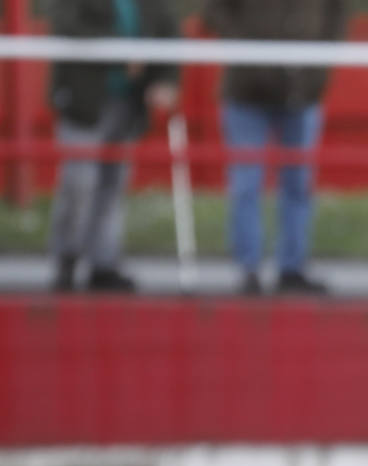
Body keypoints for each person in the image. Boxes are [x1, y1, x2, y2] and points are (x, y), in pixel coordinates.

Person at [202, 0, 348, 296]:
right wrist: (248, 49)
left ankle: (291, 268)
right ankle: (249, 269)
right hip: (247, 90)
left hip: (302, 91)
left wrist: (319, 64)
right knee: (246, 182)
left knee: (298, 183)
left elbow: (338, 14)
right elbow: (214, 11)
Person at [47, 0, 180, 293]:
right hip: (84, 100)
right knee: (78, 181)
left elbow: (168, 31)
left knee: (113, 184)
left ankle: (103, 263)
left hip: (128, 102)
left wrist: (166, 80)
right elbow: (67, 24)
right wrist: (120, 53)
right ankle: (67, 259)